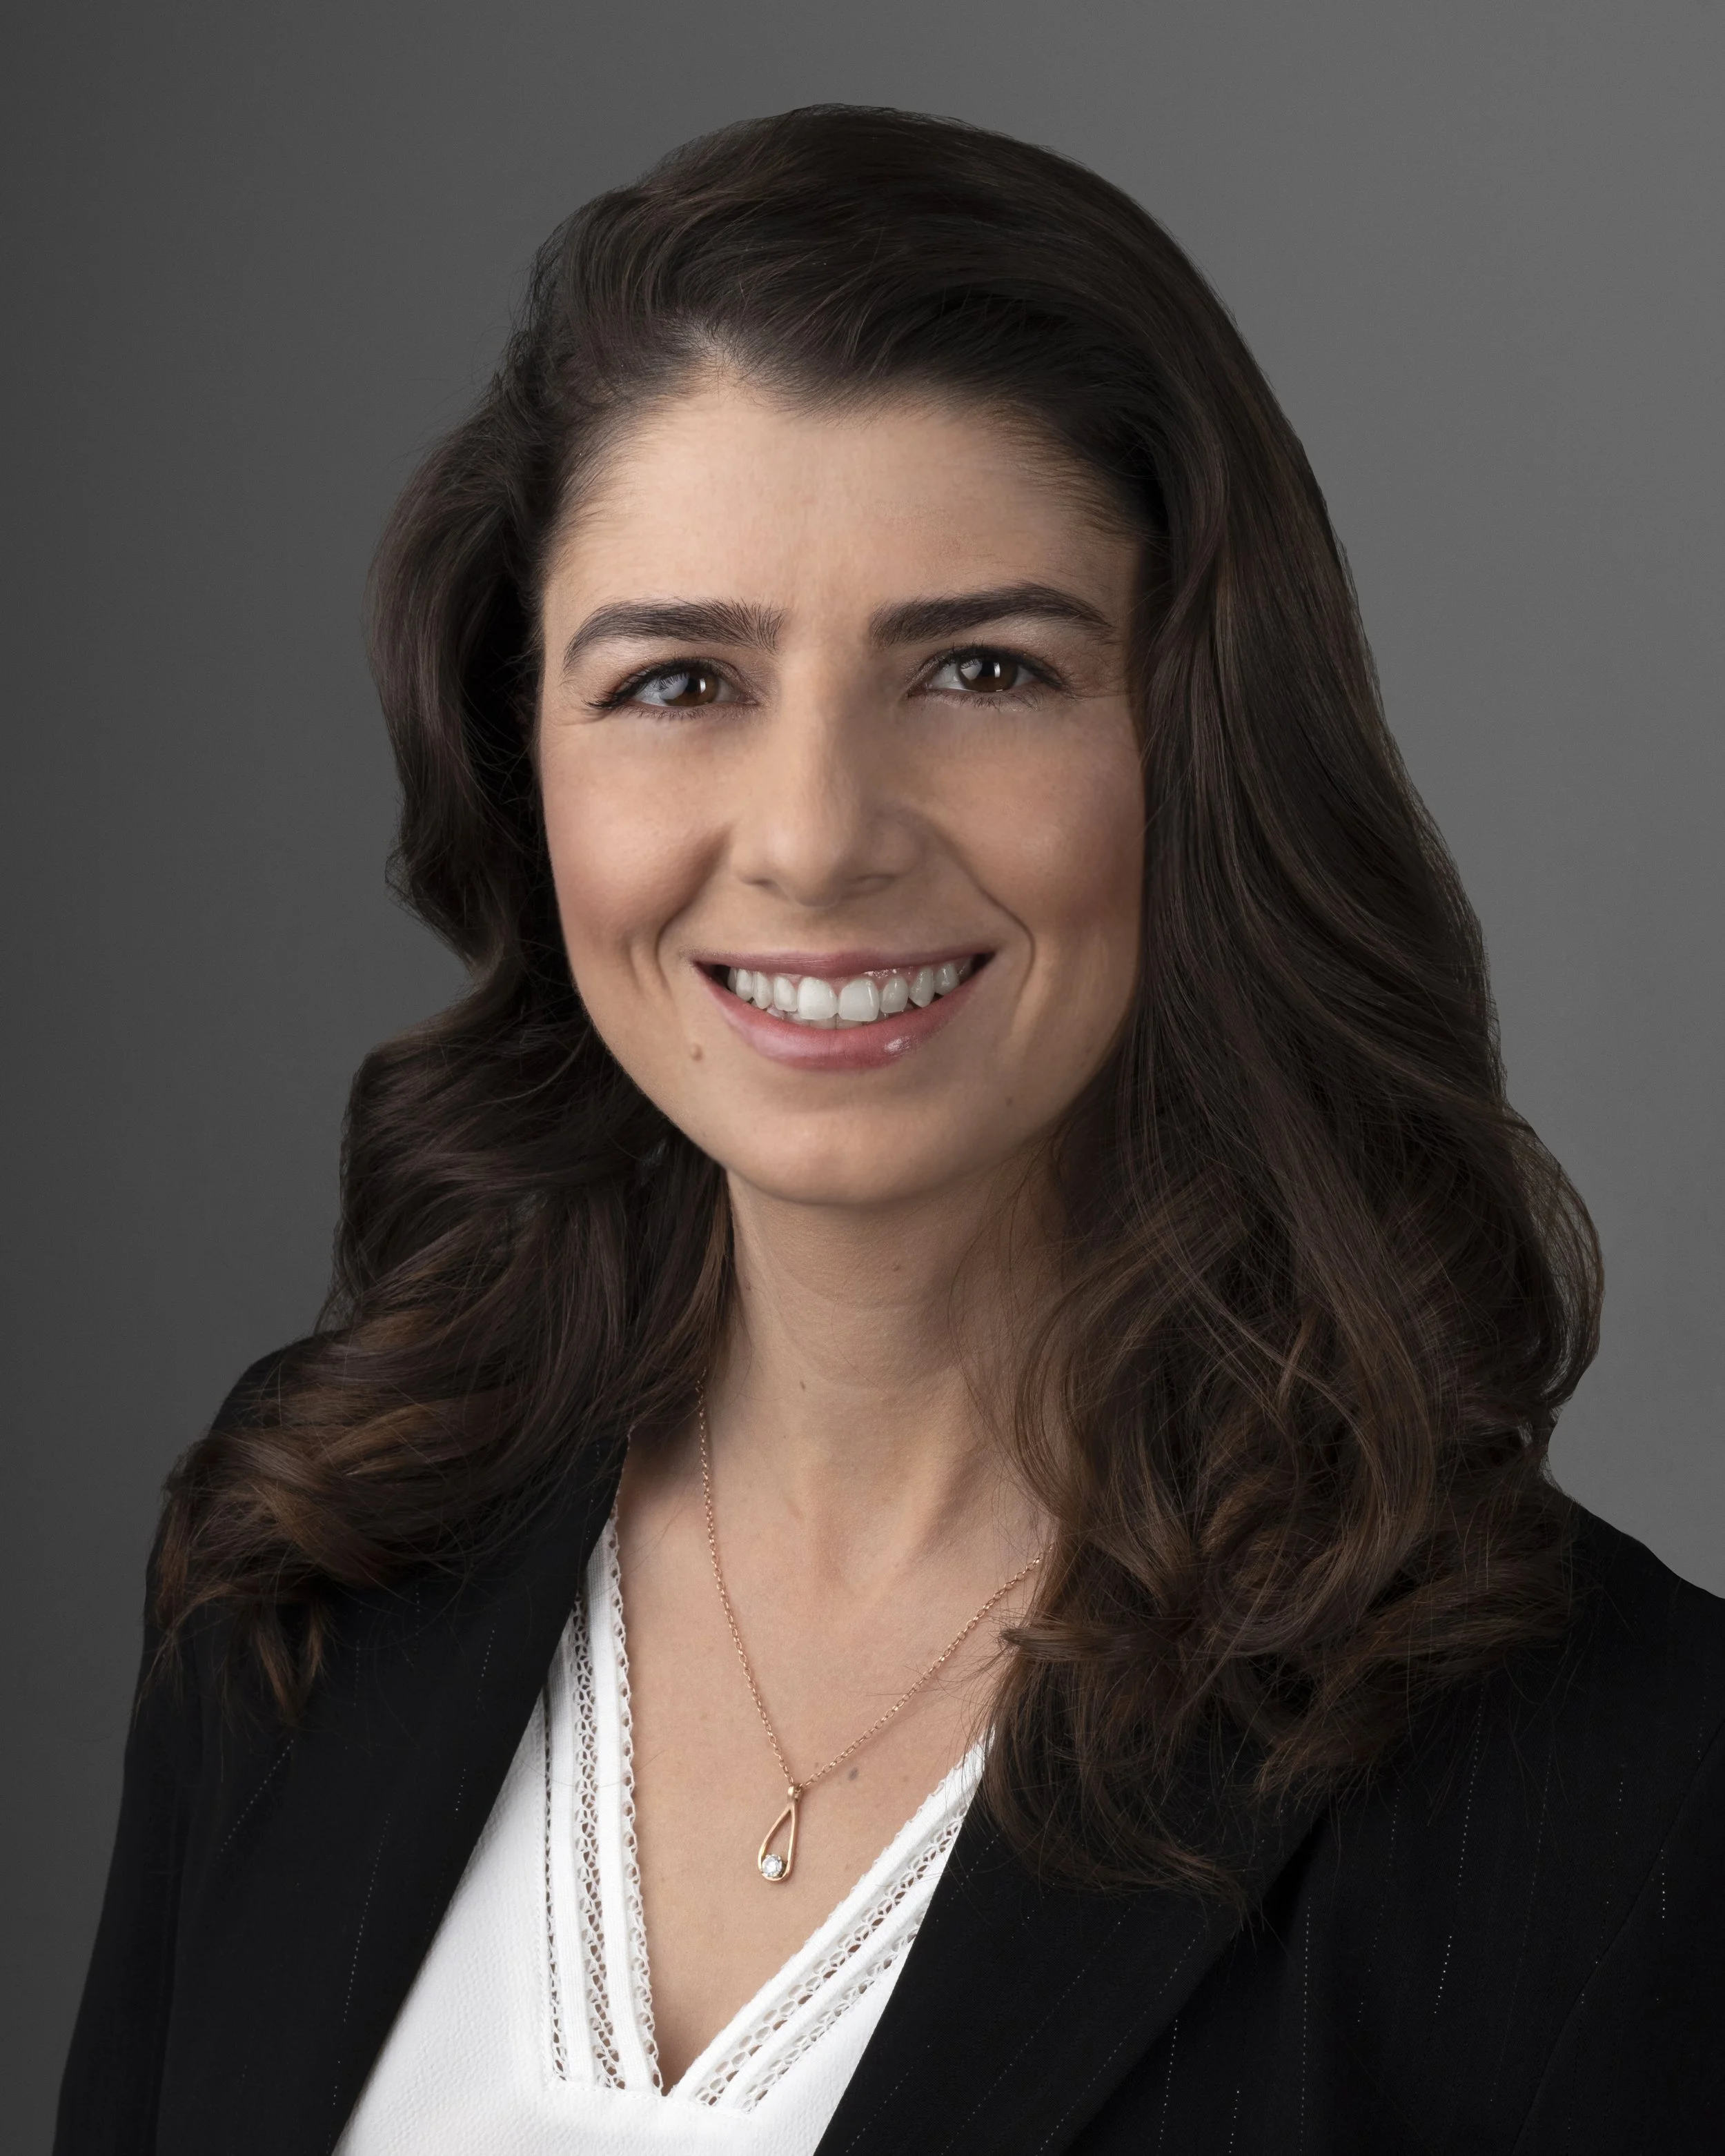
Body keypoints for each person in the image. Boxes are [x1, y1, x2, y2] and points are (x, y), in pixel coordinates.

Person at [57, 106, 1724, 2156]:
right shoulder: (303, 1564)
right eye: (678, 681)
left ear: (1200, 750)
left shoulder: (1622, 1797)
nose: (819, 836)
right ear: (527, 771)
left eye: (982, 668)